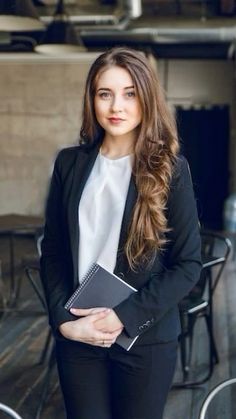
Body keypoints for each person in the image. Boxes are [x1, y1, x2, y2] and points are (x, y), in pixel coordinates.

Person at [40, 47, 202, 419]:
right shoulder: (70, 163)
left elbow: (188, 265)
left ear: (146, 98)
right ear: (92, 99)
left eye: (130, 93)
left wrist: (123, 317)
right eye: (105, 93)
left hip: (143, 338)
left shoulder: (170, 169)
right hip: (79, 334)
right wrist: (64, 323)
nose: (117, 105)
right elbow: (53, 252)